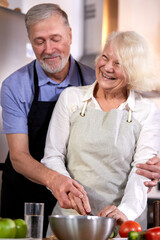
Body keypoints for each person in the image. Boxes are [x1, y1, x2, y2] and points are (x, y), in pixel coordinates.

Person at [40, 31, 160, 235]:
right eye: (105, 57)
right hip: (70, 221)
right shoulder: (71, 99)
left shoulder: (146, 110)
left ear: (134, 71)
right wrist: (64, 187)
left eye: (119, 63)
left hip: (122, 225)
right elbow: (53, 156)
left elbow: (142, 172)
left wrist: (125, 212)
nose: (107, 67)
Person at [0, 3, 95, 236]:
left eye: (55, 38)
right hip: (26, 196)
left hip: (78, 195)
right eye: (39, 41)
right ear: (30, 41)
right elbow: (19, 156)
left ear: (70, 35)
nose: (49, 49)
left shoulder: (94, 81)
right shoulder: (15, 86)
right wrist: (55, 180)